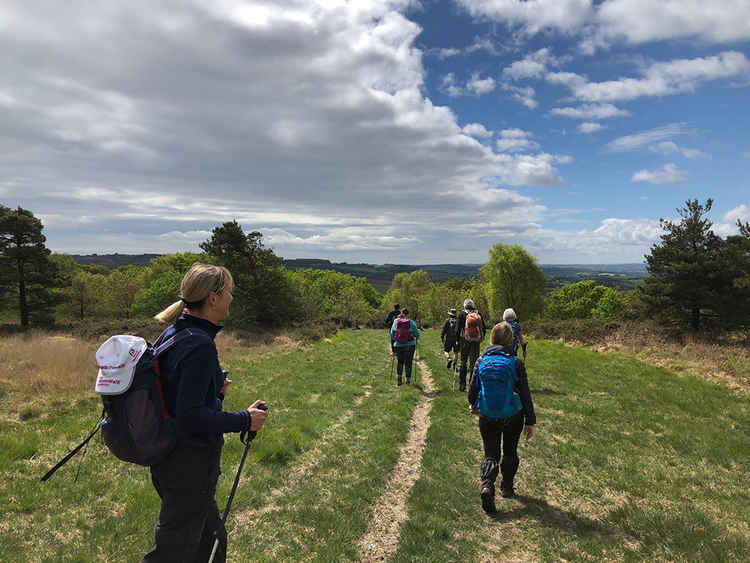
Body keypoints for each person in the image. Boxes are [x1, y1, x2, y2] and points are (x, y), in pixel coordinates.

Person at [143, 263, 268, 563]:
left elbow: (177, 399)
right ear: (213, 298)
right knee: (173, 553)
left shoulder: (175, 332)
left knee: (211, 544)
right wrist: (244, 419)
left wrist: (215, 393)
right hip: (188, 466)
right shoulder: (199, 345)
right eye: (229, 293)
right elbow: (190, 417)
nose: (231, 299)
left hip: (171, 460)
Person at [468, 322, 536, 513]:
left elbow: (472, 390)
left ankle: (487, 485)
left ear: (492, 338)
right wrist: (530, 420)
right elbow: (525, 394)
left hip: (487, 413)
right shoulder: (516, 363)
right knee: (510, 451)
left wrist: (473, 405)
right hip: (512, 414)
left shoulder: (481, 361)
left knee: (491, 453)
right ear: (510, 341)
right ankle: (506, 486)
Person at [455, 298, 486, 392]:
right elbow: (483, 328)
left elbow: (457, 329)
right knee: (474, 363)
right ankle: (473, 385)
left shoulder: (461, 314)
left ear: (464, 305)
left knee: (463, 362)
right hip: (475, 341)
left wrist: (457, 341)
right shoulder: (478, 313)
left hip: (464, 341)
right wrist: (481, 338)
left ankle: (462, 385)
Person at [389, 307, 419, 385]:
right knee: (408, 362)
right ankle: (407, 380)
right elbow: (417, 334)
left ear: (401, 313)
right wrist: (415, 337)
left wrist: (396, 340)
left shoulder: (396, 321)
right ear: (408, 314)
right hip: (410, 344)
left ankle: (399, 378)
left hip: (398, 345)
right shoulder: (411, 322)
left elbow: (392, 333)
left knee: (400, 362)